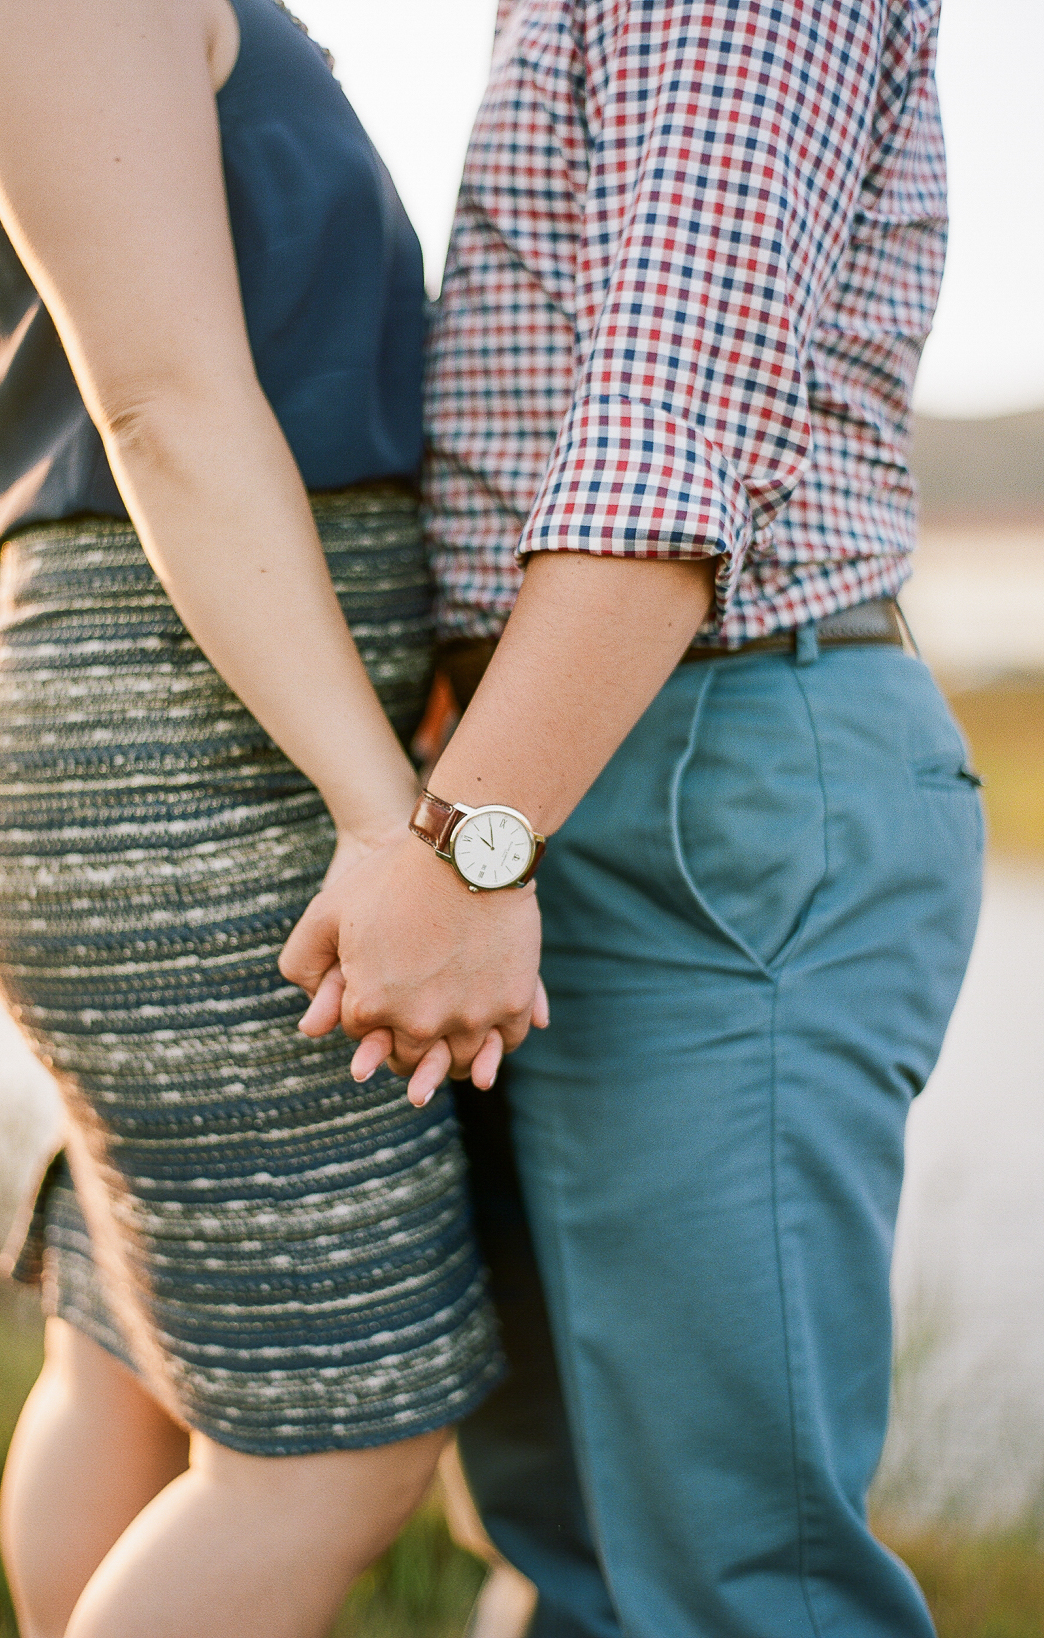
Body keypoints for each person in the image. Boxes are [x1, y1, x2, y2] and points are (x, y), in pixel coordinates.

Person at [281, 1, 985, 1634]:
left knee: (739, 1576)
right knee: (566, 1530)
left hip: (701, 774)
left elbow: (676, 416)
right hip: (567, 771)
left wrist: (470, 841)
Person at [0, 1, 547, 1634]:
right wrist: (385, 814)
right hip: (194, 761)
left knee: (126, 1353)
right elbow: (167, 409)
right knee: (337, 1456)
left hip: (216, 735)